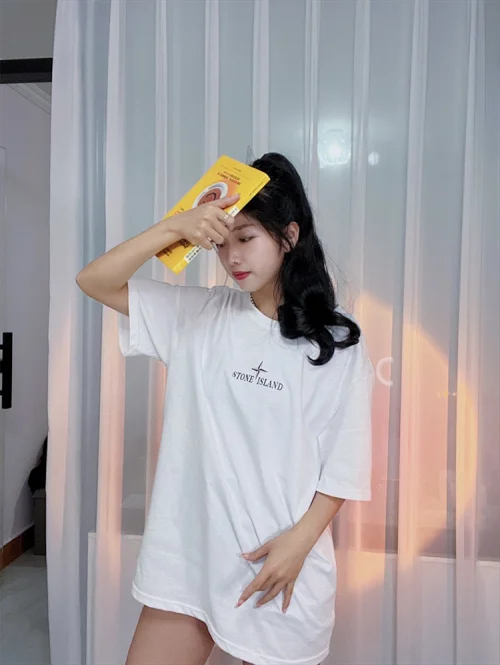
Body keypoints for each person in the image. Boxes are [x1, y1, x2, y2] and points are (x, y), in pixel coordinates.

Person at [76, 152, 374, 665]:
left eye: (247, 238)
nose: (232, 256)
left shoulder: (335, 342)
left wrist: (298, 545)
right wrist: (173, 227)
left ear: (289, 236)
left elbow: (344, 465)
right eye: (221, 241)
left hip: (278, 566)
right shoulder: (198, 315)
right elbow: (94, 281)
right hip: (189, 562)